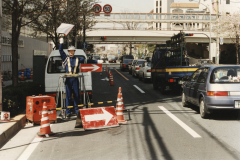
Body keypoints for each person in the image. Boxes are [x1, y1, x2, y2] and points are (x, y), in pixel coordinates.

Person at [59, 37, 84, 118]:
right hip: (68, 80)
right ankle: (68, 112)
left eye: (72, 51)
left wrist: (97, 61)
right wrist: (61, 43)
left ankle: (77, 111)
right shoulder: (65, 59)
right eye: (70, 51)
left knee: (76, 95)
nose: (71, 52)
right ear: (68, 52)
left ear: (74, 52)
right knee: (68, 96)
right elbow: (60, 51)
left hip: (75, 79)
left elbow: (85, 59)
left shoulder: (77, 59)